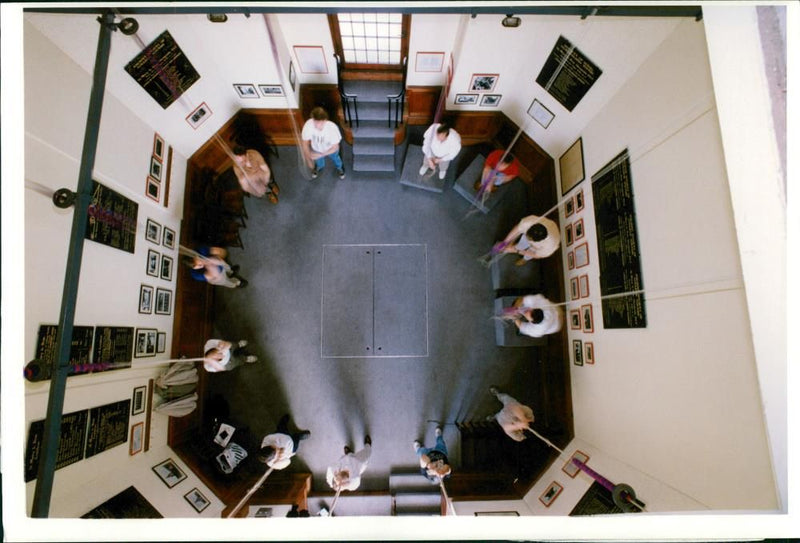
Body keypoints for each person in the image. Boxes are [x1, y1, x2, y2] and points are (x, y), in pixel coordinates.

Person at [302, 107, 345, 179]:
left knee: (336, 159)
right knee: (319, 161)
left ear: (325, 120)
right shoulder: (308, 125)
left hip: (330, 149)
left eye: (319, 123)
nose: (316, 126)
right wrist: (308, 157)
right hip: (317, 148)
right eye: (315, 122)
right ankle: (319, 167)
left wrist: (321, 154)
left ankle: (340, 168)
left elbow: (335, 147)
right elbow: (304, 142)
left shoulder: (332, 128)